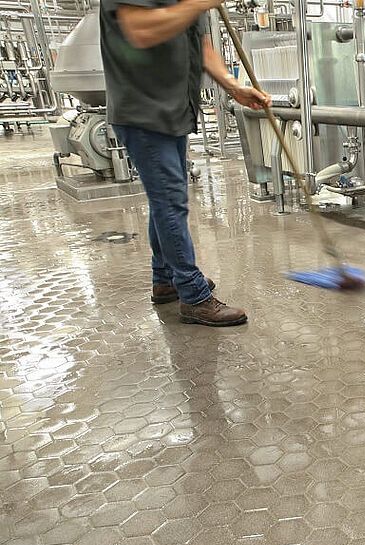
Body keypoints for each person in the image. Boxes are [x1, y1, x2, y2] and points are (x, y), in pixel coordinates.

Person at [99, 0, 270, 326]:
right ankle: (193, 296)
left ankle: (165, 279)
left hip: (174, 108)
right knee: (170, 201)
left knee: (164, 199)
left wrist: (234, 88)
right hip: (144, 109)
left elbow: (202, 46)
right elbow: (139, 29)